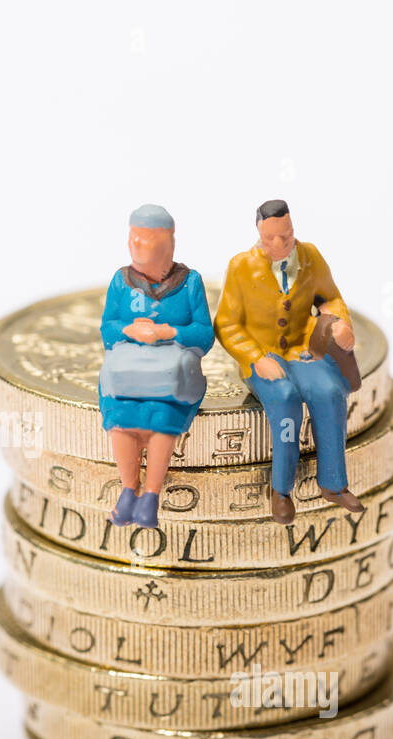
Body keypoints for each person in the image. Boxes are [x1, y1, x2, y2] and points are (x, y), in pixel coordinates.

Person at [213, 199, 364, 524]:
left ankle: (334, 484)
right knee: (285, 402)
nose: (280, 245)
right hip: (263, 356)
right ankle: (281, 490)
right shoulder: (241, 266)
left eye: (287, 235)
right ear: (259, 234)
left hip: (302, 351)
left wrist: (338, 321)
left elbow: (331, 298)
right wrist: (255, 358)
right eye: (271, 239)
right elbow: (226, 324)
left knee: (329, 392)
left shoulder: (310, 256)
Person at [97, 204, 214, 529]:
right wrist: (128, 330)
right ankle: (127, 490)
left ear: (168, 243)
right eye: (133, 238)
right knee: (120, 419)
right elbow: (107, 327)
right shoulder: (121, 282)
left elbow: (205, 334)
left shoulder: (189, 283)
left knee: (162, 420)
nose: (137, 245)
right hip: (129, 372)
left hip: (172, 374)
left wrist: (169, 332)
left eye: (146, 240)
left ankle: (151, 495)